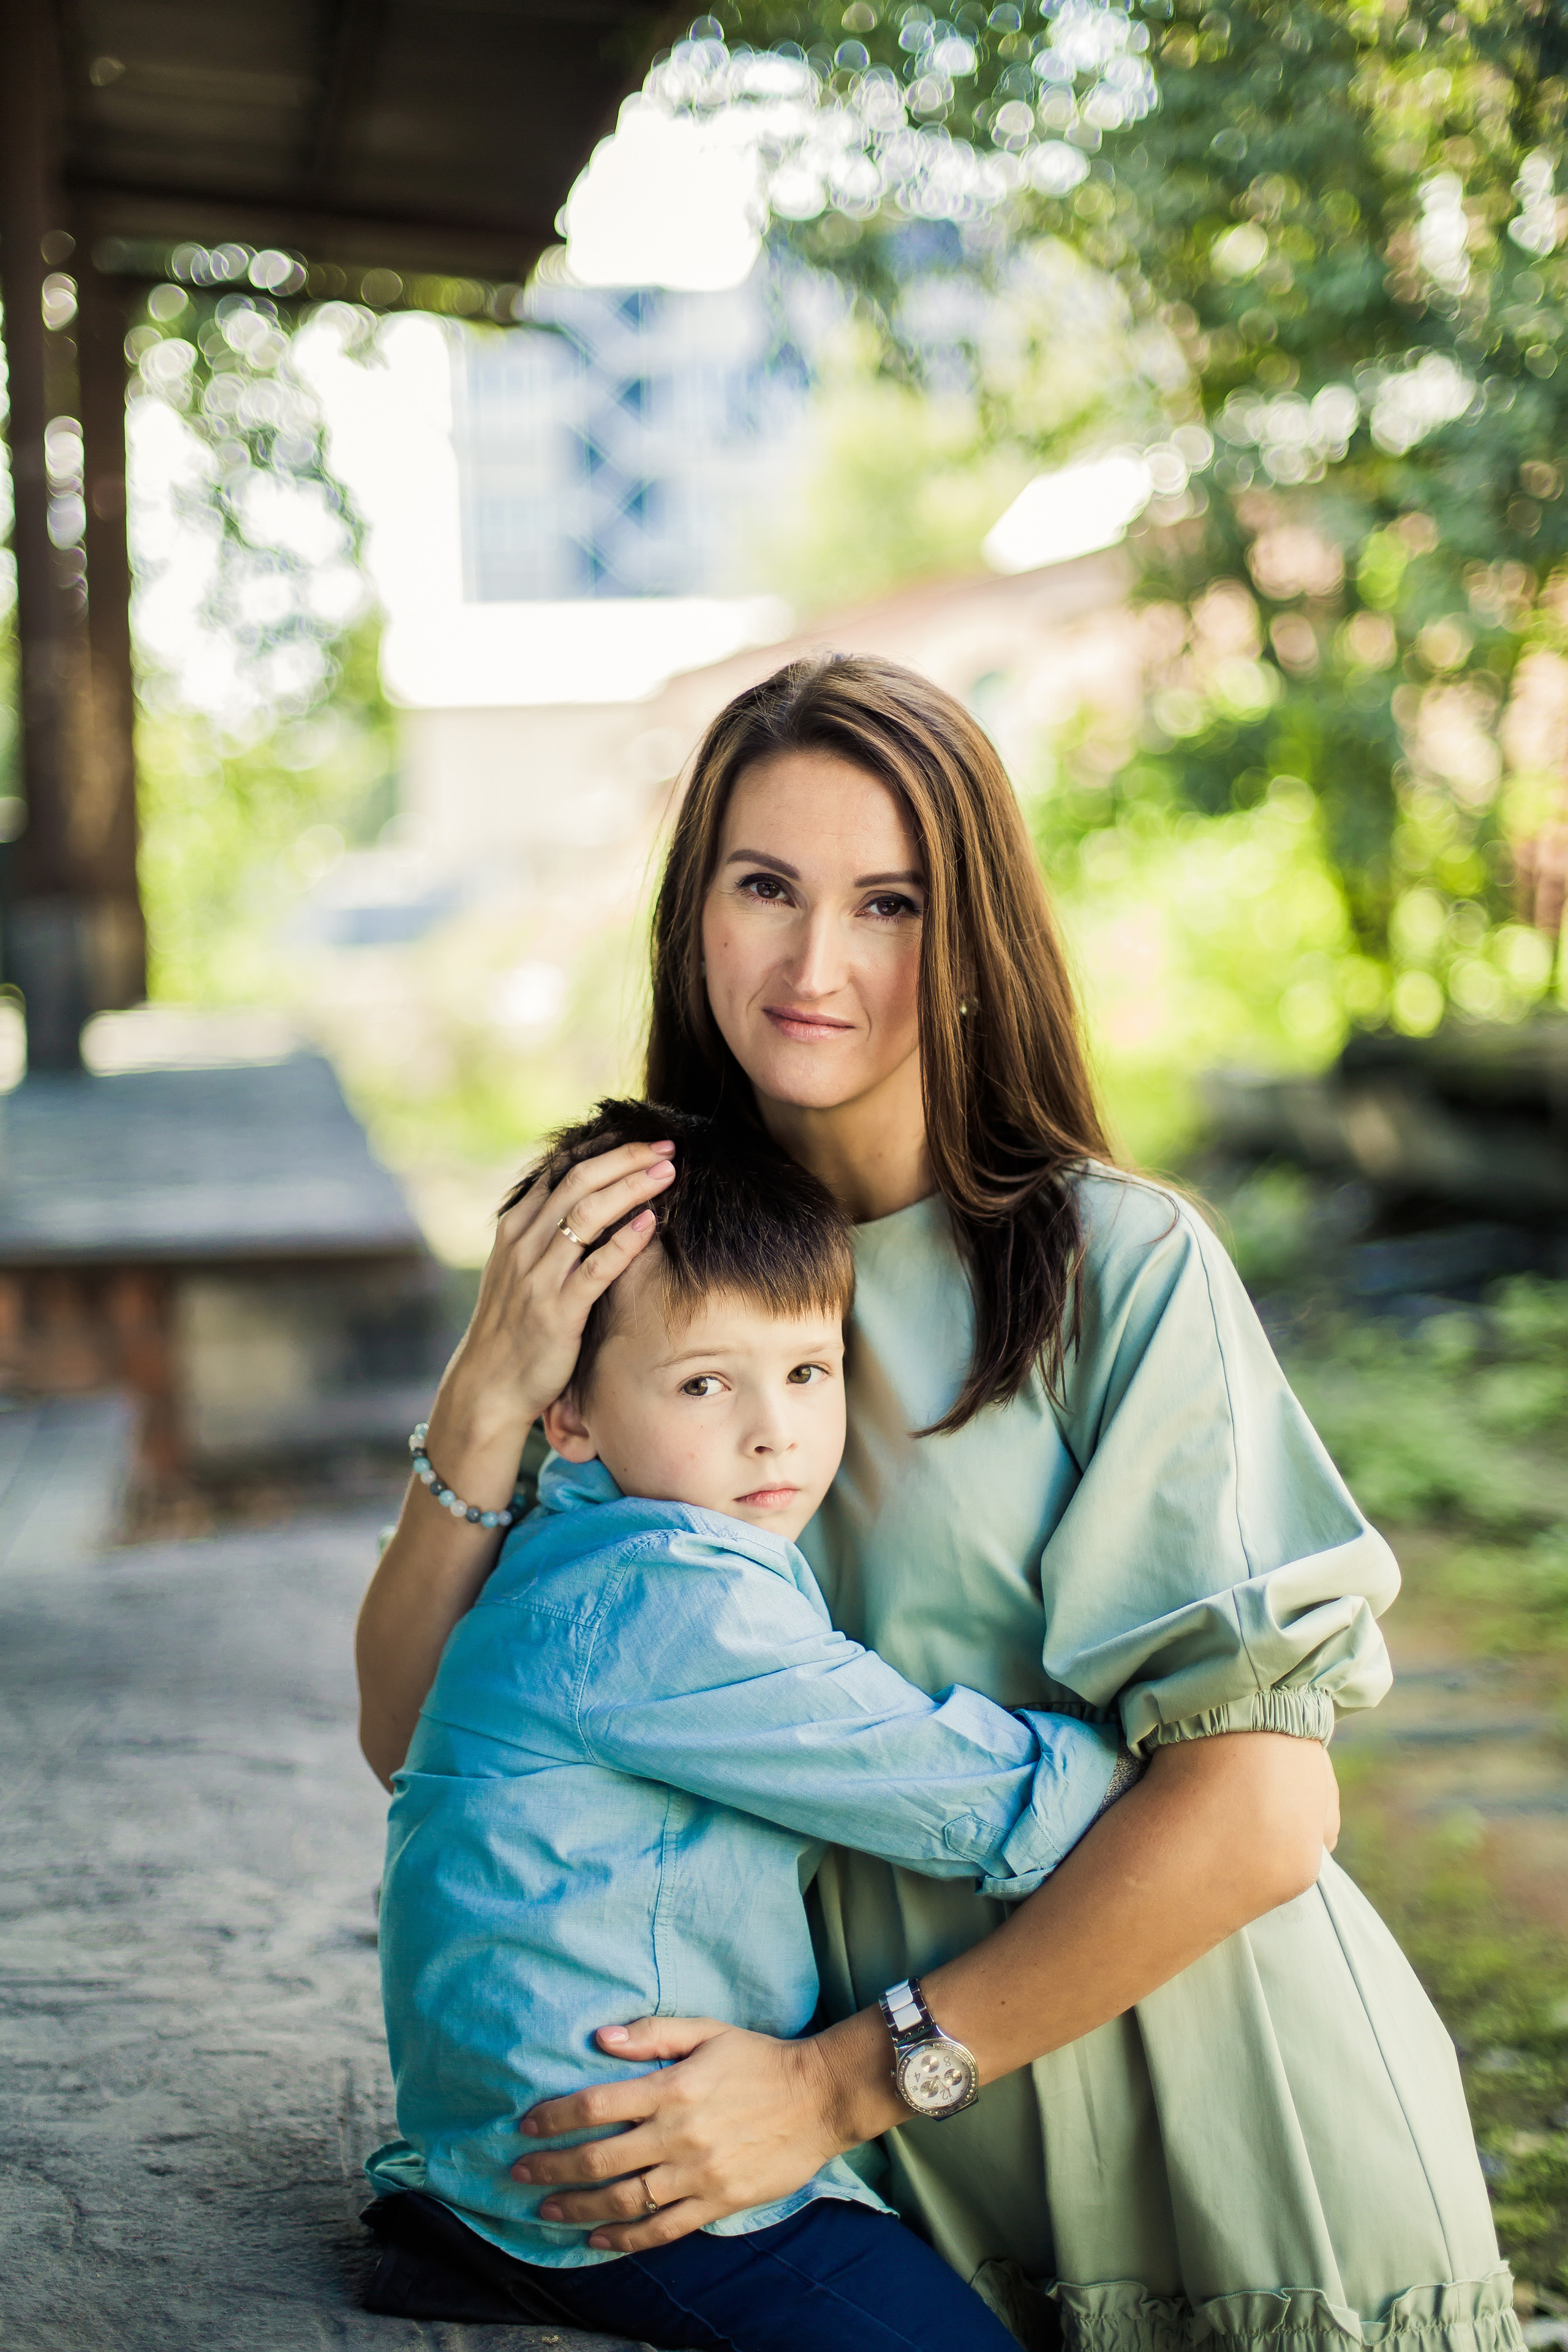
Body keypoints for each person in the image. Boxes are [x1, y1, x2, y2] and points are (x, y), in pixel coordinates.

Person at [356, 654, 1520, 2352]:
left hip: (1203, 2115)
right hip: (890, 2187)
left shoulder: (1118, 1265)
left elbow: (1265, 1810)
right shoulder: (647, 1260)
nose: (816, 964)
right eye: (766, 887)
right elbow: (418, 1731)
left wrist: (838, 2087)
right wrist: (487, 1388)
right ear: (696, 913)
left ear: (970, 939)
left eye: (889, 904)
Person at [364, 1098, 1137, 2352]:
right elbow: (970, 1802)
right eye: (703, 1381)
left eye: (806, 1370)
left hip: (513, 2123)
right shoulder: (672, 1597)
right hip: (621, 2177)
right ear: (568, 1414)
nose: (772, 1428)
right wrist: (1174, 1769)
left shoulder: (574, 1539)